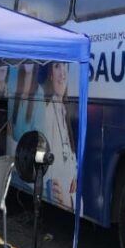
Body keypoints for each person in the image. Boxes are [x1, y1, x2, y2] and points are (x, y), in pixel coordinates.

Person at [27, 63, 77, 210]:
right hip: (62, 202)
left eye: (65, 66)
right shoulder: (47, 113)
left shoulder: (64, 111)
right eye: (57, 67)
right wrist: (67, 199)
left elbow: (68, 156)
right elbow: (42, 166)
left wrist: (74, 174)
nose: (62, 73)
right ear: (50, 74)